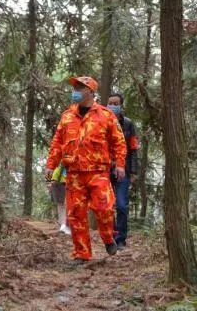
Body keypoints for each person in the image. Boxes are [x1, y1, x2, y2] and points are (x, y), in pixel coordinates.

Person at [45, 76, 127, 264]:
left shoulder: (106, 115)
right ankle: (82, 254)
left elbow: (119, 142)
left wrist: (120, 164)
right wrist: (51, 164)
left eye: (80, 87)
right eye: (75, 87)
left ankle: (108, 238)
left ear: (91, 91)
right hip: (73, 173)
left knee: (104, 208)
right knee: (76, 214)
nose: (75, 91)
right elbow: (57, 142)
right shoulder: (67, 116)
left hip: (98, 171)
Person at [107, 92, 140, 250]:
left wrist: (133, 171)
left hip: (123, 170)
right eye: (110, 103)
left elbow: (133, 148)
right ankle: (110, 237)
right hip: (105, 169)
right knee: (107, 206)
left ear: (121, 105)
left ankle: (121, 239)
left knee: (121, 205)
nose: (112, 106)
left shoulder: (128, 124)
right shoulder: (101, 121)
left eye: (115, 103)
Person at [49, 164, 71, 235]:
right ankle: (63, 225)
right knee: (62, 205)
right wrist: (53, 180)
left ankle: (64, 224)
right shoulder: (62, 161)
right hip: (60, 183)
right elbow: (57, 170)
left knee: (63, 205)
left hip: (64, 183)